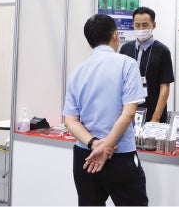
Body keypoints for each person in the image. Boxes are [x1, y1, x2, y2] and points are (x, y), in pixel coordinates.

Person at [63, 14, 148, 206]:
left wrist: (94, 144)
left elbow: (70, 120)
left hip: (85, 155)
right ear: (115, 35)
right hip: (119, 155)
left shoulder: (77, 72)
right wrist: (106, 147)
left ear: (89, 42)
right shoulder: (127, 64)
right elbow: (128, 113)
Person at [120, 7, 174, 123]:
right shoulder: (125, 49)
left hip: (153, 112)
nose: (141, 29)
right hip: (129, 111)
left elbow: (165, 86)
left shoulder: (162, 51)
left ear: (153, 25)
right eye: (137, 25)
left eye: (145, 25)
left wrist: (156, 117)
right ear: (133, 25)